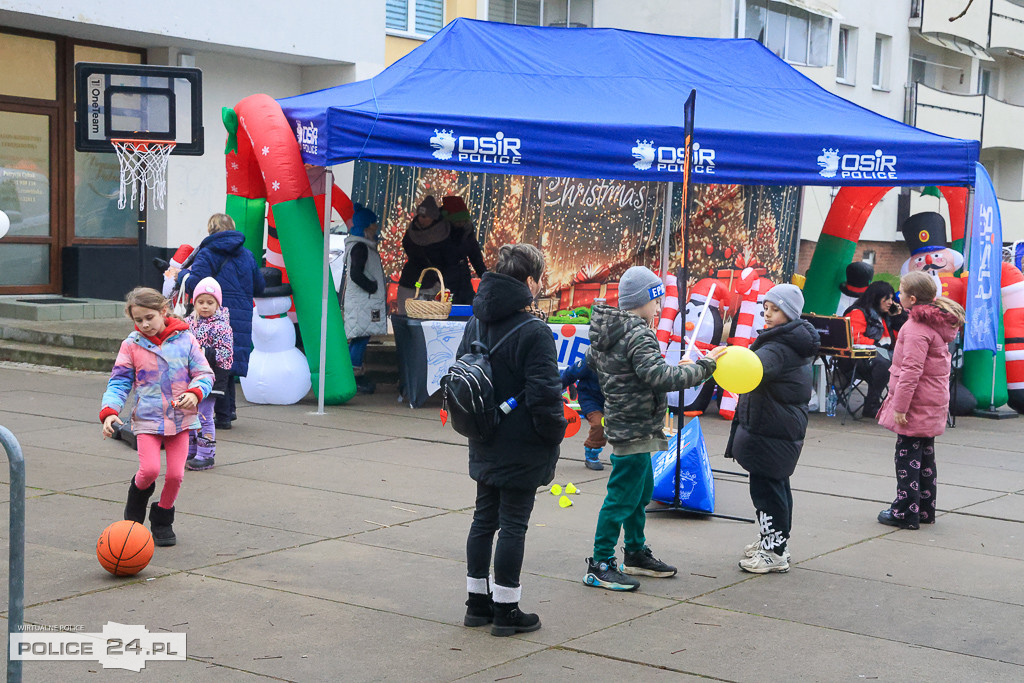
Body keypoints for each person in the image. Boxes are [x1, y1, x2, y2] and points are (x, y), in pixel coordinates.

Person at [583, 266, 725, 592]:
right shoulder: (638, 333)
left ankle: (635, 552)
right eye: (656, 301)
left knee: (640, 492)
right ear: (642, 301)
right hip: (634, 430)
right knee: (621, 498)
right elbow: (659, 377)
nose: (659, 308)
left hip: (632, 426)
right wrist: (704, 366)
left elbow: (601, 362)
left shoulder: (612, 331)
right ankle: (600, 563)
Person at [460, 244, 566, 637]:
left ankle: (477, 604)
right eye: (540, 279)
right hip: (522, 443)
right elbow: (545, 397)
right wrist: (553, 435)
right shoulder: (534, 331)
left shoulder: (475, 322)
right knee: (513, 525)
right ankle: (506, 610)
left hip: (483, 434)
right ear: (529, 282)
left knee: (483, 519)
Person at [100, 287, 214, 547]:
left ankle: (162, 519)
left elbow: (204, 373)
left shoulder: (186, 339)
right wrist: (109, 412)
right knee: (149, 470)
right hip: (147, 420)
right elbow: (119, 382)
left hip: (181, 420)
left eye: (149, 317)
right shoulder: (131, 345)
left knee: (175, 475)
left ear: (164, 311)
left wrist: (195, 393)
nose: (144, 324)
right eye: (138, 320)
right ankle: (134, 511)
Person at [725, 284, 820, 574]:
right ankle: (775, 542)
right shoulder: (787, 341)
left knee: (767, 492)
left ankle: (774, 552)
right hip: (776, 427)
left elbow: (752, 369)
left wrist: (718, 362)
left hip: (771, 429)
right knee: (775, 486)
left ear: (789, 314)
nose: (767, 314)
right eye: (765, 308)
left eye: (775, 309)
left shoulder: (778, 347)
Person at [876, 271, 964, 530]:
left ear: (912, 298)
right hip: (932, 400)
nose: (897, 296)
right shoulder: (935, 323)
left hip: (915, 403)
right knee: (925, 459)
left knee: (906, 458)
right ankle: (925, 508)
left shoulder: (915, 329)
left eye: (901, 292)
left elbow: (910, 371)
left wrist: (900, 407)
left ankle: (905, 512)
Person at [177, 213, 265, 430]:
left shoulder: (207, 253)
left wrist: (181, 275)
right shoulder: (247, 254)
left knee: (211, 362)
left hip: (213, 314)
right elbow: (260, 286)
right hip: (241, 315)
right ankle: (228, 411)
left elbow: (195, 284)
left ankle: (221, 414)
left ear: (211, 230)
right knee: (227, 362)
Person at [184, 277, 233, 471]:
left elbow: (226, 354)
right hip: (189, 377)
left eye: (210, 302)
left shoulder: (222, 326)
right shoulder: (188, 323)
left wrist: (203, 352)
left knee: (204, 415)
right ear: (194, 302)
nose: (205, 306)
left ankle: (206, 453)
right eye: (201, 302)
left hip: (210, 377)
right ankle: (191, 449)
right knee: (189, 413)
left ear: (217, 304)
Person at [842, 280, 907, 418]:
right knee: (884, 364)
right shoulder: (858, 313)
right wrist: (877, 345)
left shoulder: (884, 316)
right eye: (887, 299)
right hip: (857, 359)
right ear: (876, 298)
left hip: (882, 355)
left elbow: (898, 339)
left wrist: (898, 317)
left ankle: (905, 405)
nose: (890, 303)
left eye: (892, 299)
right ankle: (871, 404)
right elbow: (854, 338)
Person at [342, 204, 387, 395]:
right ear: (366, 227)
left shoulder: (360, 245)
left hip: (364, 302)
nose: (376, 228)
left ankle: (352, 372)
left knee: (360, 336)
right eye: (373, 225)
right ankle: (353, 374)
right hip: (364, 302)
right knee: (360, 337)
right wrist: (372, 286)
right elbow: (356, 274)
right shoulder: (360, 247)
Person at [396, 196, 454, 315]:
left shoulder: (443, 234)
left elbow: (447, 260)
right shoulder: (412, 231)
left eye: (424, 217)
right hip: (411, 281)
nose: (420, 219)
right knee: (405, 315)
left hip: (432, 284)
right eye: (419, 215)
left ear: (433, 217)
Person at [560, 356, 606, 470]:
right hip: (591, 399)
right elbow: (570, 373)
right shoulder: (591, 359)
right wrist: (555, 389)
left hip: (615, 399)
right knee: (599, 423)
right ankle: (592, 453)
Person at [441, 195, 488, 305]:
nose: (461, 223)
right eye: (458, 221)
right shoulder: (440, 232)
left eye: (463, 220)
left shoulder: (467, 231)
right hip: (445, 281)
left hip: (463, 280)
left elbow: (475, 257)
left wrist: (485, 277)